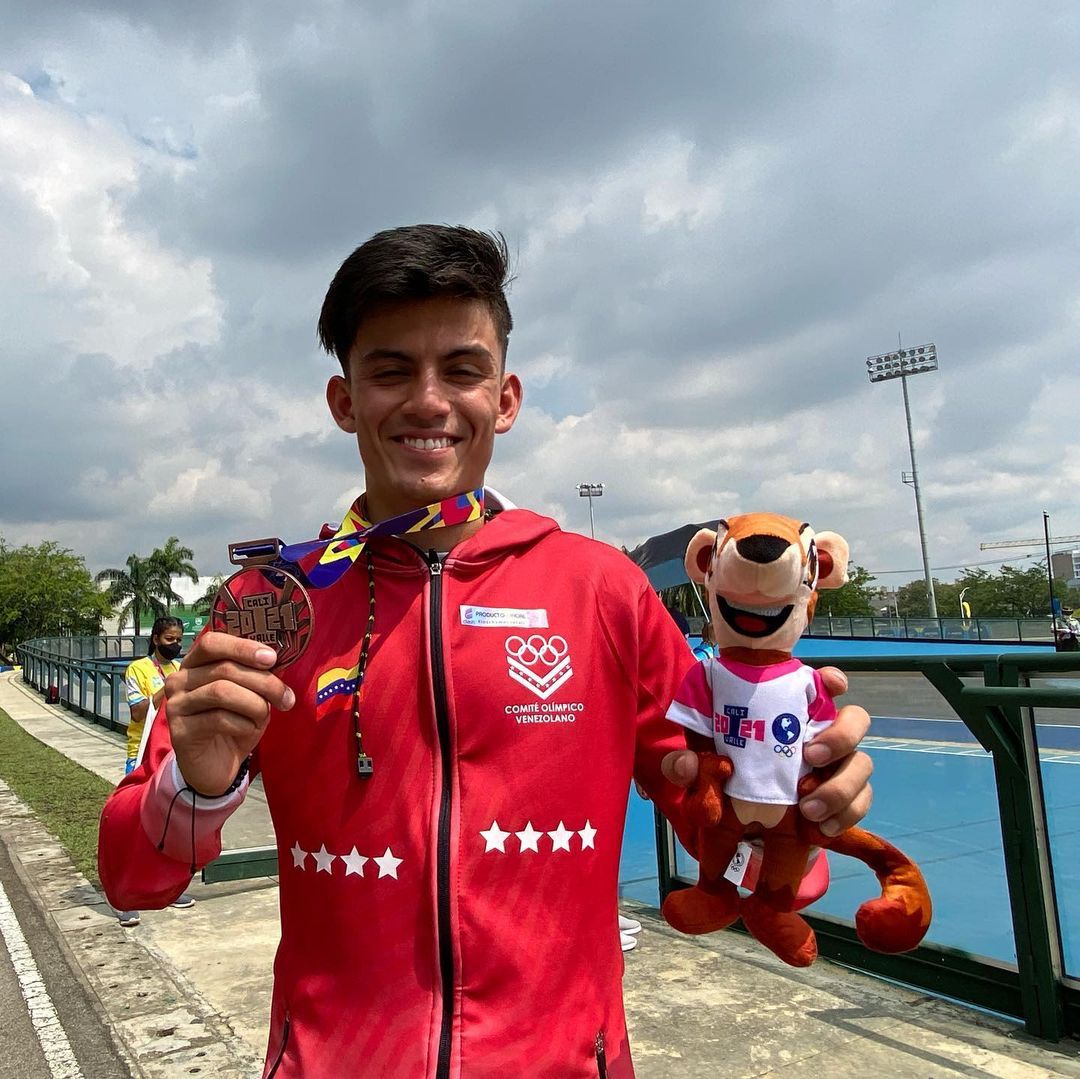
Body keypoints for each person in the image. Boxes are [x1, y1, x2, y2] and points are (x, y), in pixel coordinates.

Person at [99, 226, 873, 1077]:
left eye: (461, 370)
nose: (429, 400)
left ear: (505, 398)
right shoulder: (274, 604)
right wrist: (198, 784)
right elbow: (134, 875)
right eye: (391, 370)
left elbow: (729, 835)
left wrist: (798, 796)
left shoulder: (603, 590)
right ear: (344, 400)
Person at [114, 616, 195, 927]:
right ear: (156, 639)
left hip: (175, 754)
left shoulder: (179, 669)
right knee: (135, 824)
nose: (176, 645)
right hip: (143, 752)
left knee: (172, 823)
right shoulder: (138, 669)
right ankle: (124, 897)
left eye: (179, 639)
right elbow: (137, 712)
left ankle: (167, 889)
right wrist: (168, 689)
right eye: (170, 640)